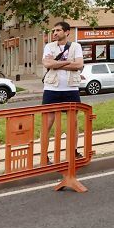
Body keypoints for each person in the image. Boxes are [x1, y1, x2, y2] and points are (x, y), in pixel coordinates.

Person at [40, 21, 84, 164]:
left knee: (73, 122)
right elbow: (47, 64)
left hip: (71, 89)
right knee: (48, 122)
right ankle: (44, 155)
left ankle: (73, 151)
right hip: (51, 89)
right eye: (54, 31)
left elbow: (79, 65)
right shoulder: (49, 47)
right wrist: (67, 62)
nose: (54, 33)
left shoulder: (76, 46)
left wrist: (56, 64)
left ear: (67, 32)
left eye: (58, 30)